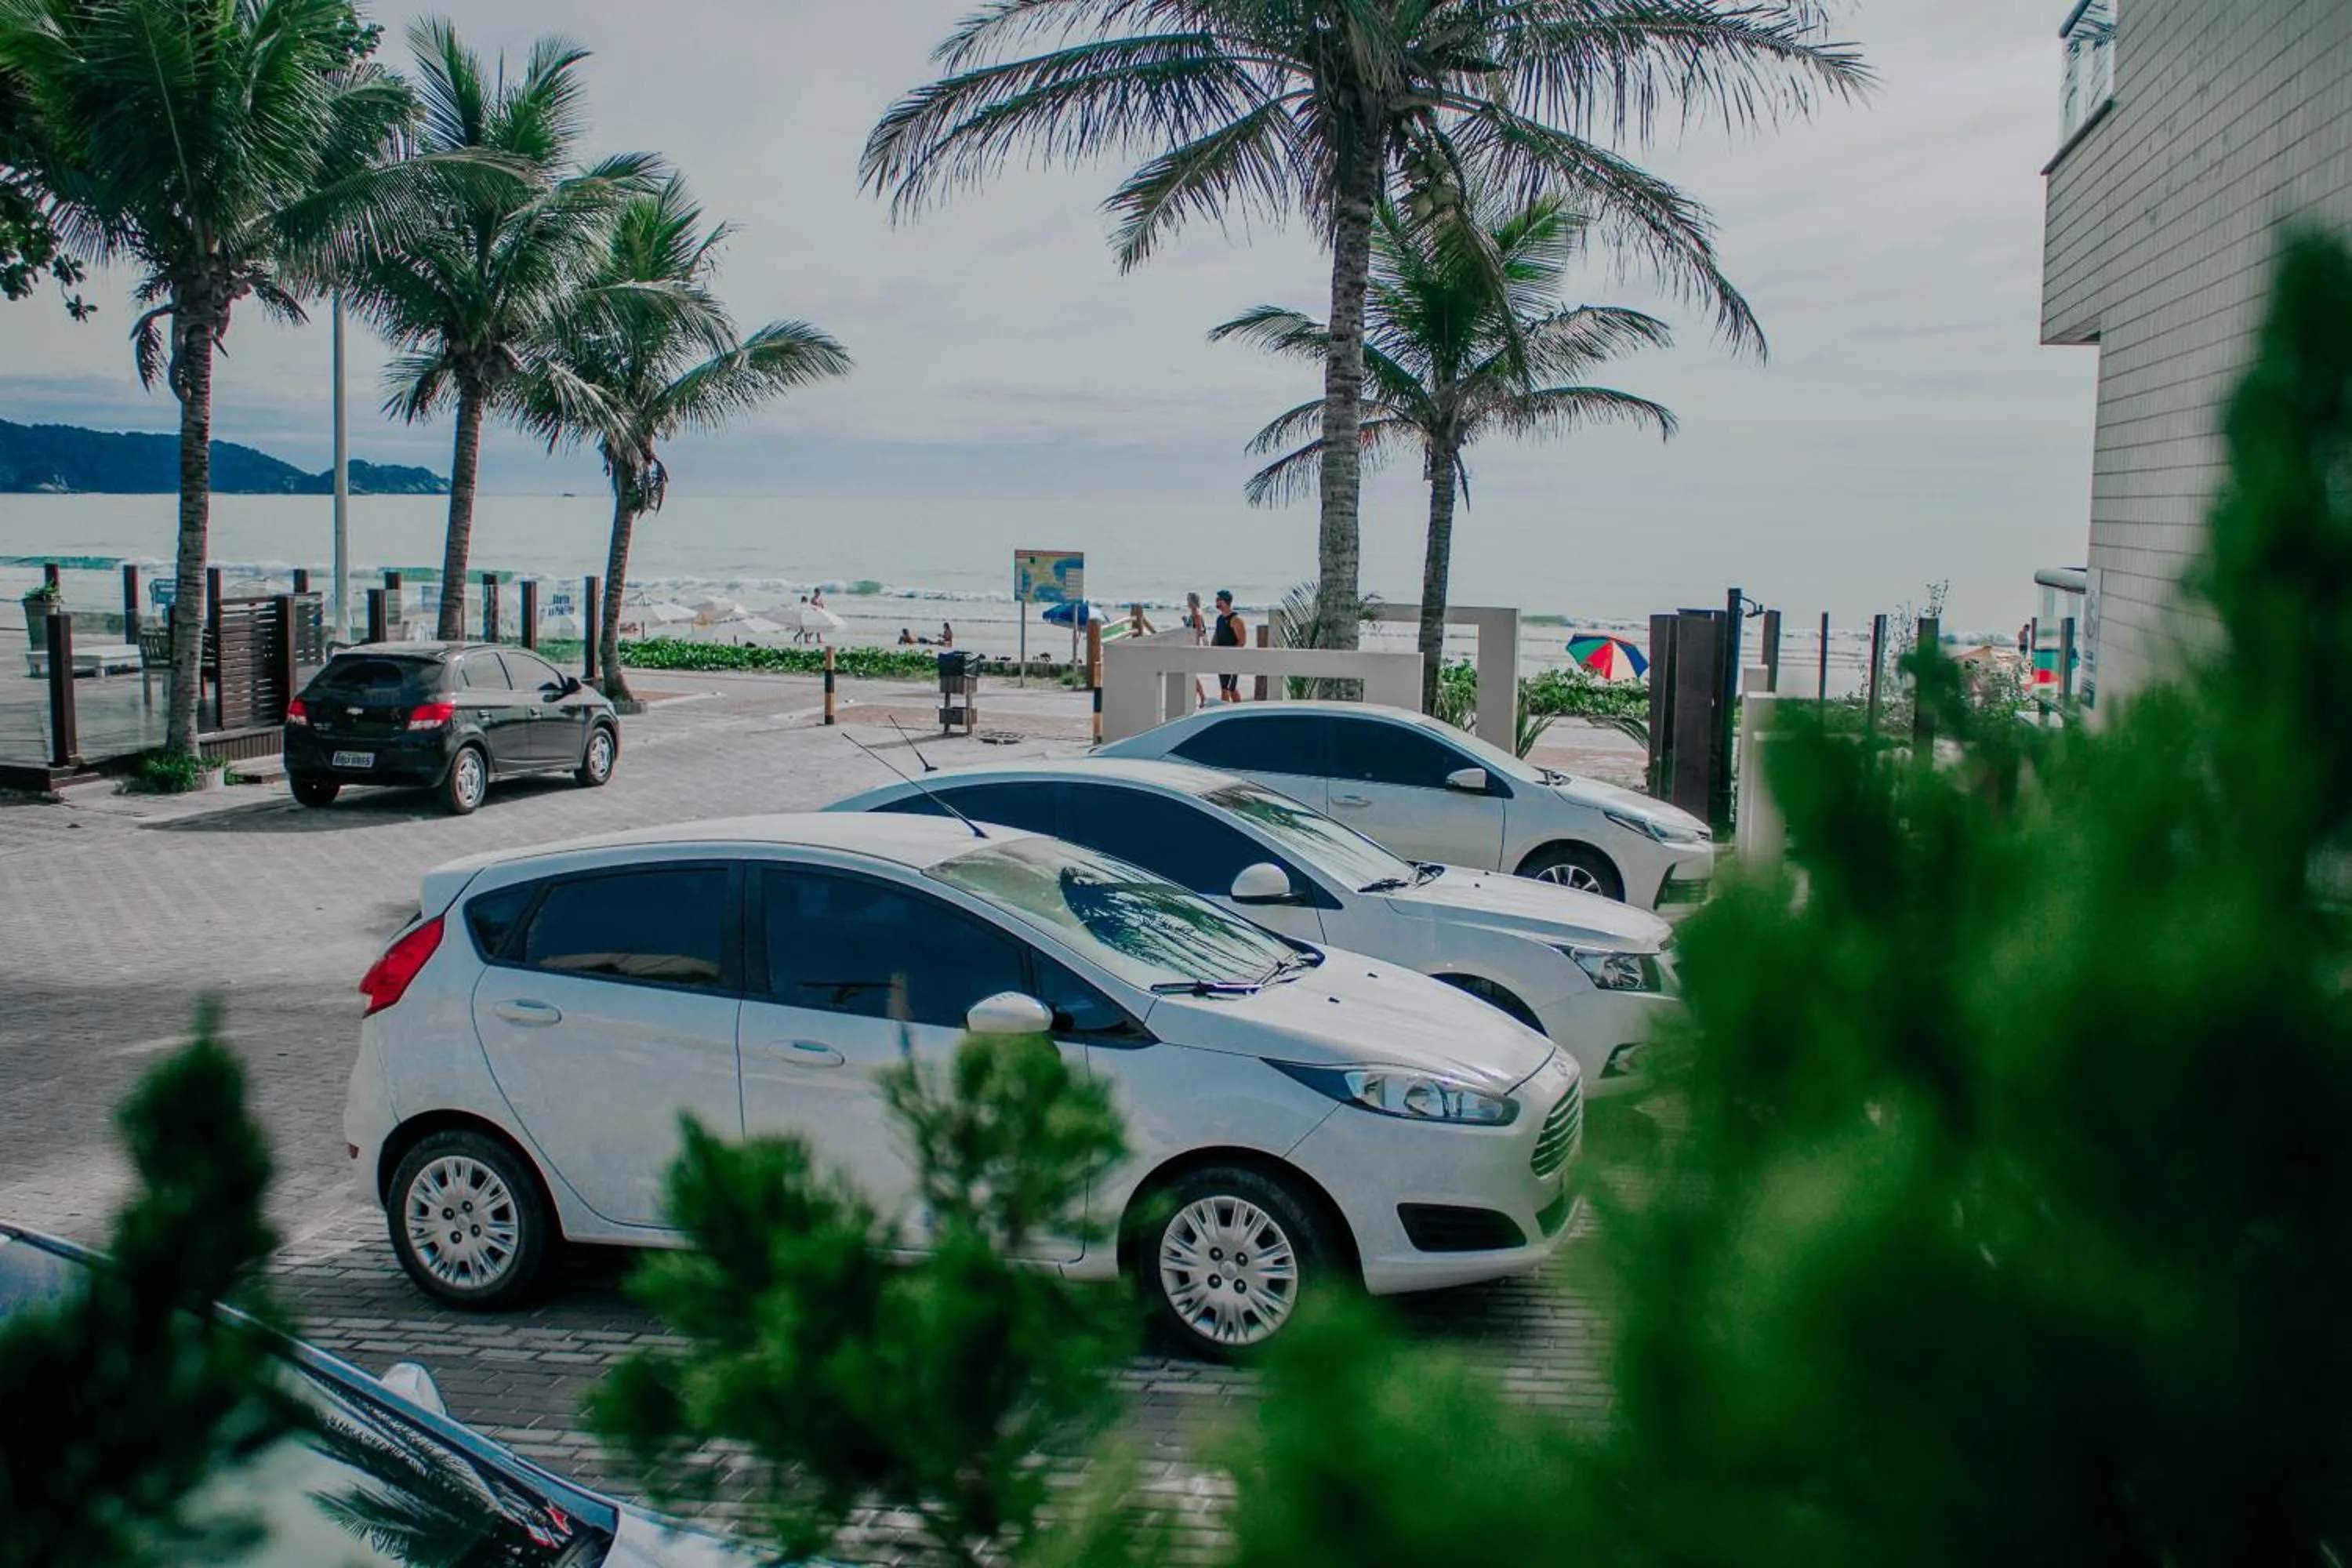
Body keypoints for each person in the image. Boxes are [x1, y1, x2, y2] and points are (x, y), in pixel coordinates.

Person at [1210, 590, 1246, 702]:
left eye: (1218, 600)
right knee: (1228, 688)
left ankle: (1229, 710)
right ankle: (1237, 709)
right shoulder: (1220, 619)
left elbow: (1242, 641)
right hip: (1221, 659)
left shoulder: (1236, 620)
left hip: (1232, 659)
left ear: (1225, 602)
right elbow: (1217, 636)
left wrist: (1232, 657)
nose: (1216, 602)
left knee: (1228, 689)